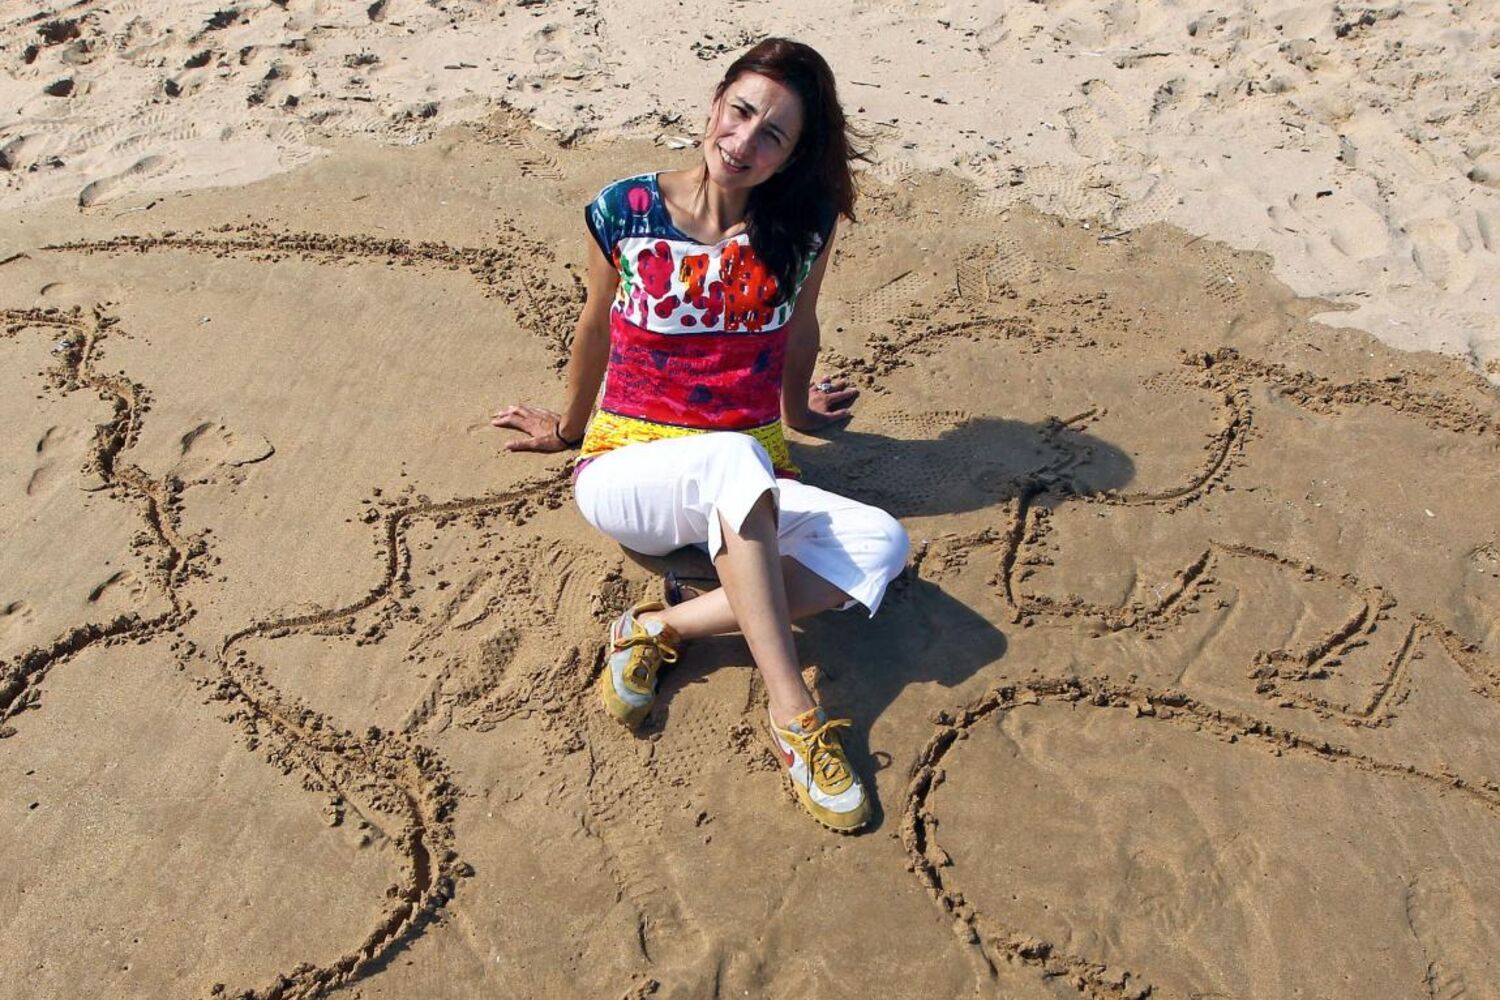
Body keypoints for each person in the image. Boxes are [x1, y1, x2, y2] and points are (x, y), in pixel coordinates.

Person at [492, 38, 908, 832]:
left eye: (772, 134)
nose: (744, 141)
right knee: (732, 459)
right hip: (629, 472)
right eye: (740, 112)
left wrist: (797, 414)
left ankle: (659, 626)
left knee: (882, 545)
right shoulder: (624, 210)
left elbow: (801, 326)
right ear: (715, 104)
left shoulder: (805, 225)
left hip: (748, 479)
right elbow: (595, 327)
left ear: (793, 154)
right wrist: (569, 430)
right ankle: (795, 716)